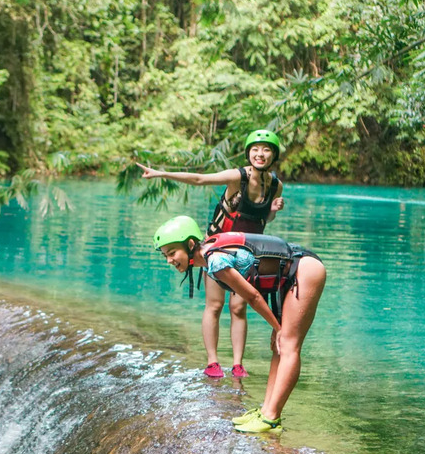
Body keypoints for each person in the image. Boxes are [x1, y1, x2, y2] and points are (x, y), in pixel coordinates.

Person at [152, 216, 326, 433]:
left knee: (288, 344)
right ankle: (267, 410)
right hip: (290, 274)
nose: (169, 260)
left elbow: (252, 296)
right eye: (165, 255)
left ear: (189, 245)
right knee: (278, 347)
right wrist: (276, 327)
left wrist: (279, 328)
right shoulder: (209, 258)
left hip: (304, 270)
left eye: (172, 253)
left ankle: (271, 418)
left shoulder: (215, 261)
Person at [137, 130, 285, 379]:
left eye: (266, 149)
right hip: (217, 250)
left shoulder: (275, 185)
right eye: (255, 149)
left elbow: (264, 219)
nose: (260, 154)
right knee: (214, 305)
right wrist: (161, 173)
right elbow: (199, 179)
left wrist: (272, 209)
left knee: (239, 307)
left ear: (274, 155)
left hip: (246, 254)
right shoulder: (237, 177)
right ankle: (213, 362)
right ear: (249, 152)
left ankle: (238, 365)